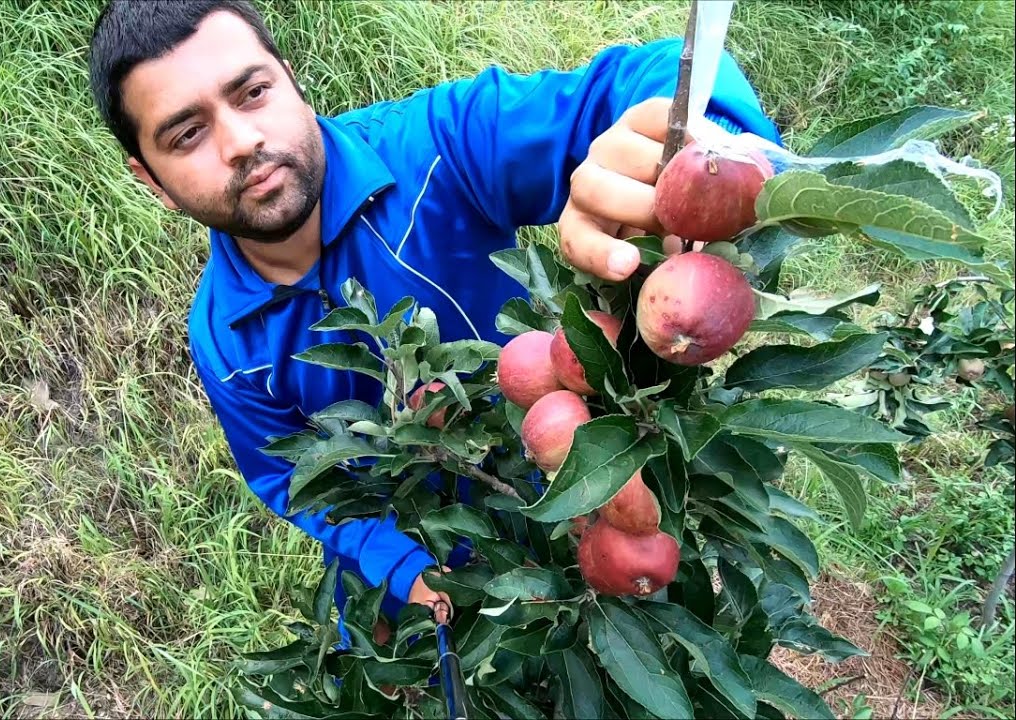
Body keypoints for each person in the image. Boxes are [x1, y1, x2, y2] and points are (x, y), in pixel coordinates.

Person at [87, 0, 781, 639]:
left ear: (291, 80)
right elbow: (285, 478)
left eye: (252, 92)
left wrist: (711, 161)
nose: (240, 140)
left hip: (579, 510)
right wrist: (396, 565)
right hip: (415, 557)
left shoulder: (438, 149)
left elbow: (648, 75)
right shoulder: (224, 339)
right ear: (150, 180)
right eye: (186, 134)